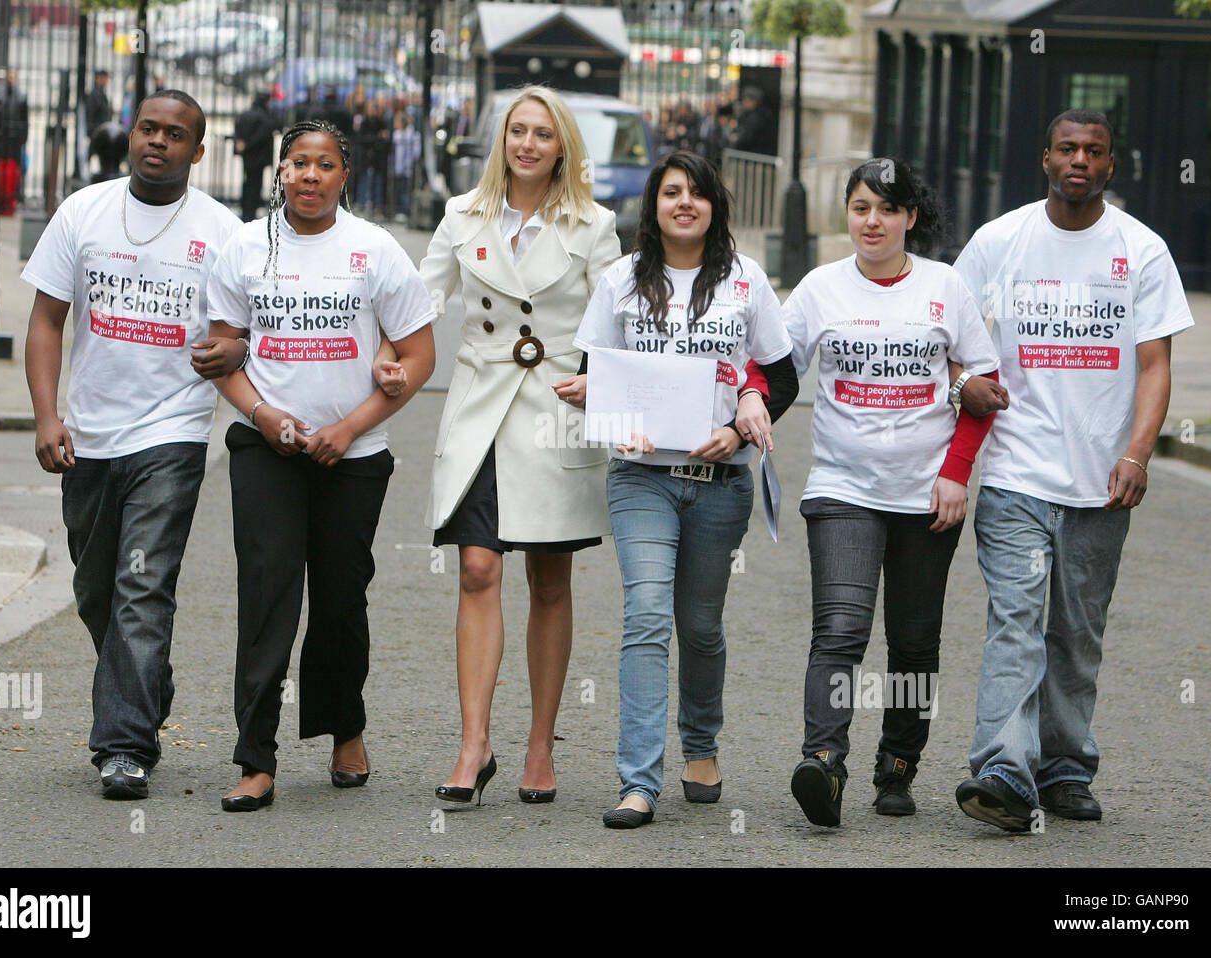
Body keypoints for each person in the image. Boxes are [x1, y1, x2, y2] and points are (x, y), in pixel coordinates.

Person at [951, 110, 1193, 832]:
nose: (1079, 159)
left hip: (1101, 483)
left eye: (1094, 150)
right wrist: (964, 381)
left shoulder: (1142, 250)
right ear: (1046, 158)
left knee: (1078, 634)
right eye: (1067, 148)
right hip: (1016, 475)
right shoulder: (1000, 241)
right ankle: (1002, 765)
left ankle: (1063, 767)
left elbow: (1156, 365)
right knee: (1017, 622)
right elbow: (952, 335)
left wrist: (1136, 454)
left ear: (1111, 165)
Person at [379, 84, 619, 807]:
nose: (528, 144)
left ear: (562, 147)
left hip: (554, 413)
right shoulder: (462, 215)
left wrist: (597, 379)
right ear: (502, 139)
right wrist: (391, 354)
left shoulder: (595, 225)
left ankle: (540, 746)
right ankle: (473, 743)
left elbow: (618, 324)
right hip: (481, 408)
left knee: (550, 581)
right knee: (477, 568)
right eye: (518, 130)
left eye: (543, 134)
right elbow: (419, 303)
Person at [752, 158, 1000, 827]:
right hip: (843, 489)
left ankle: (897, 767)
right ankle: (823, 762)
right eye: (861, 207)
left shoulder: (945, 288)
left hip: (928, 496)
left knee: (915, 643)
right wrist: (746, 404)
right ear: (848, 213)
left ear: (910, 218)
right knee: (840, 631)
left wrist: (956, 474)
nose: (872, 221)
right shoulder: (818, 290)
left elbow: (984, 392)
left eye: (887, 209)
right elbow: (772, 363)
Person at [204, 120, 435, 812]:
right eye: (297, 163)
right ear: (279, 172)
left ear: (344, 176)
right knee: (268, 594)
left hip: (353, 456)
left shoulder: (373, 250)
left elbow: (420, 356)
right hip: (266, 451)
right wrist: (258, 413)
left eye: (324, 164)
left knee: (340, 600)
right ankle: (255, 757)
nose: (309, 175)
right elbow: (223, 351)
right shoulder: (245, 247)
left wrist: (350, 427)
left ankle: (346, 728)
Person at [23, 90, 246, 800]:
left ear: (197, 151)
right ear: (131, 133)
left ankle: (124, 746)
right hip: (88, 435)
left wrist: (228, 349)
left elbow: (242, 330)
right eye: (148, 128)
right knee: (97, 590)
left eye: (175, 134)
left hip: (171, 435)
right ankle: (144, 683)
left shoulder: (222, 233)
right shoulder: (83, 212)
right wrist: (45, 416)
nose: (158, 141)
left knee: (140, 587)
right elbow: (46, 320)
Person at [572, 150, 798, 828]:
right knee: (645, 615)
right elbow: (593, 375)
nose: (685, 203)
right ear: (655, 204)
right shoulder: (619, 280)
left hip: (720, 482)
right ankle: (638, 782)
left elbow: (780, 377)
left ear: (714, 206)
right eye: (672, 192)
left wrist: (738, 426)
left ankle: (701, 743)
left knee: (698, 626)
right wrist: (613, 419)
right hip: (640, 477)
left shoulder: (745, 281)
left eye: (698, 193)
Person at [233, 91, 274, 221]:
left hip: (247, 155)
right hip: (259, 156)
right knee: (255, 184)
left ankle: (245, 209)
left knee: (247, 182)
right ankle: (250, 211)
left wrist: (241, 145)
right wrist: (247, 145)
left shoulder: (245, 114)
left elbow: (237, 131)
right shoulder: (264, 116)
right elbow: (262, 136)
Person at [0, 69, 29, 216]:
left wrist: (23, 139)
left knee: (13, 171)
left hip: (14, 140)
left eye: (13, 76)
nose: (11, 79)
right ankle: (1, 200)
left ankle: (10, 201)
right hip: (3, 139)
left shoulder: (21, 97)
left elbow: (24, 121)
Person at [85, 70, 112, 136]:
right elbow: (91, 114)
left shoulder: (101, 93)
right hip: (97, 130)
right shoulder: (95, 95)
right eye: (104, 78)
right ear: (98, 79)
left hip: (100, 130)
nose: (106, 81)